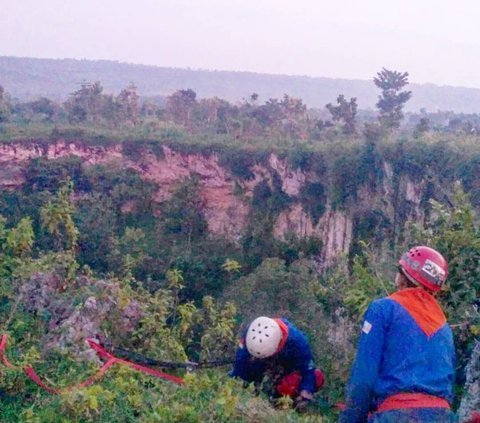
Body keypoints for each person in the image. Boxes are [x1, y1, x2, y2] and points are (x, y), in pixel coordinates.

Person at [340, 246, 457, 422]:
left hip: (396, 414)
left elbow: (363, 378)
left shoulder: (383, 309)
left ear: (402, 277)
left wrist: (350, 418)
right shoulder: (445, 328)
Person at [230, 316, 325, 411]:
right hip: (260, 363)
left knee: (316, 377)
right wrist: (236, 381)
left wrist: (306, 390)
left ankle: (279, 400)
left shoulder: (298, 343)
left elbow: (308, 370)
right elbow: (240, 360)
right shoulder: (251, 332)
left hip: (286, 368)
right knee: (245, 371)